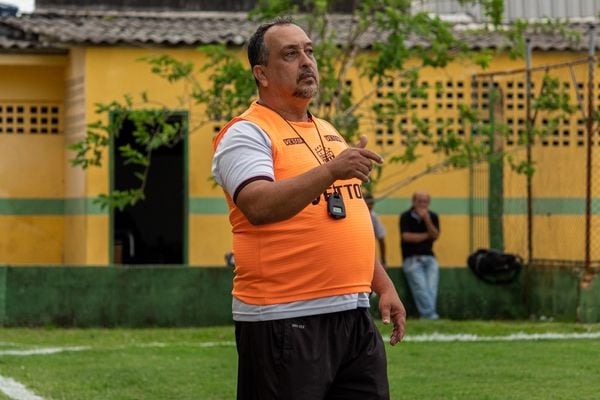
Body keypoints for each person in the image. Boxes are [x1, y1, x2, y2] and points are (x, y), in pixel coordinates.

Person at [212, 16, 406, 400]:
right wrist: (332, 170)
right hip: (285, 318)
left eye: (309, 51)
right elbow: (258, 205)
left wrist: (382, 285)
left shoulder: (329, 131)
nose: (306, 62)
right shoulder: (247, 133)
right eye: (290, 54)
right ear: (262, 73)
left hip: (353, 315)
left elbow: (344, 218)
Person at [399, 191, 441, 320]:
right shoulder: (406, 216)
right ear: (414, 202)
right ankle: (430, 316)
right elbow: (407, 237)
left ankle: (428, 315)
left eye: (425, 202)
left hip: (430, 258)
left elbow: (435, 235)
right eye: (420, 201)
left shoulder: (433, 216)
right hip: (412, 258)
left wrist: (427, 219)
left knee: (431, 289)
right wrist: (428, 235)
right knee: (420, 288)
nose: (423, 204)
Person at [365, 193, 387, 268]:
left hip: (368, 255)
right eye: (368, 204)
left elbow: (381, 239)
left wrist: (383, 260)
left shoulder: (373, 217)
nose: (369, 206)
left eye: (371, 204)